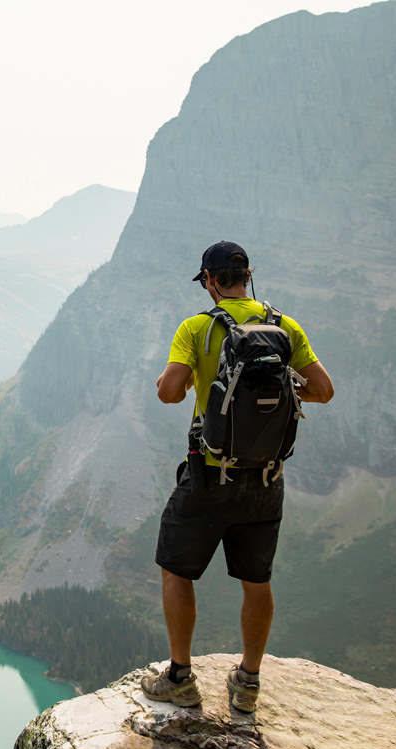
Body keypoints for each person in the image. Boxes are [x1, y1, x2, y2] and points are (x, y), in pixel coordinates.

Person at [140, 241, 334, 713]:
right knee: (256, 579)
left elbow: (168, 393)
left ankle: (181, 678)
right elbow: (323, 391)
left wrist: (192, 382)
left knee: (176, 569)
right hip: (266, 479)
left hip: (209, 475)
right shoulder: (284, 326)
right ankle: (248, 683)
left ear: (209, 279)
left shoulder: (197, 328)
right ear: (248, 276)